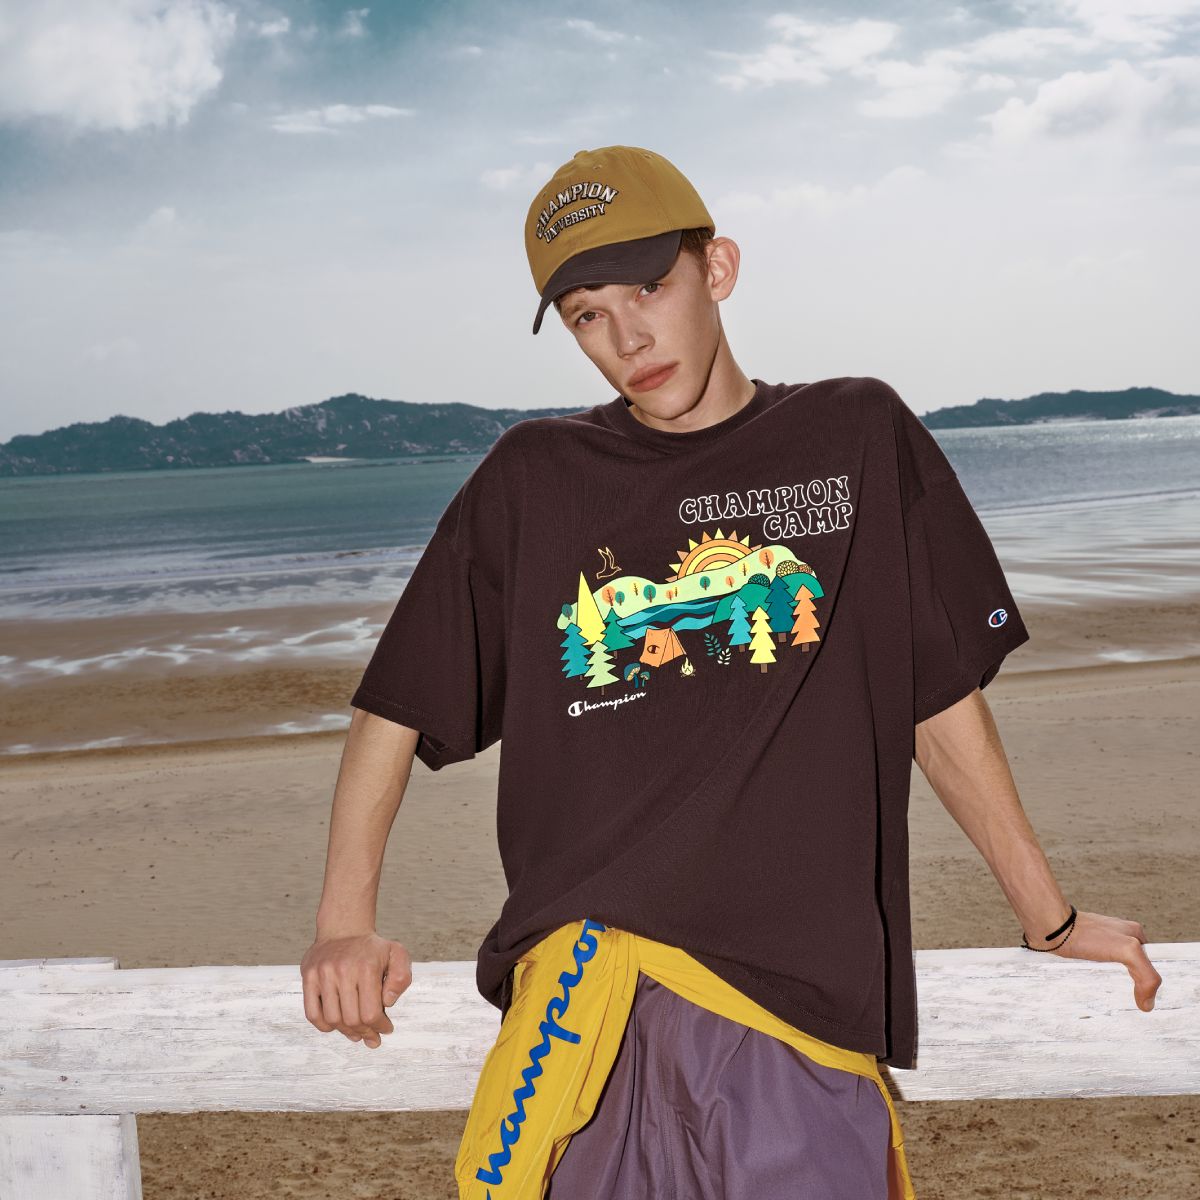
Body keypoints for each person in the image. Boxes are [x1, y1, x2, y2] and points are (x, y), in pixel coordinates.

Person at [300, 145, 1162, 1199]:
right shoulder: (534, 478)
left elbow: (935, 703)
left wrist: (1050, 918)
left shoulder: (854, 433)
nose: (627, 338)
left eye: (646, 289)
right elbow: (396, 704)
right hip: (587, 1010)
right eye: (586, 314)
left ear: (717, 269)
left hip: (795, 1013)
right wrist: (342, 926)